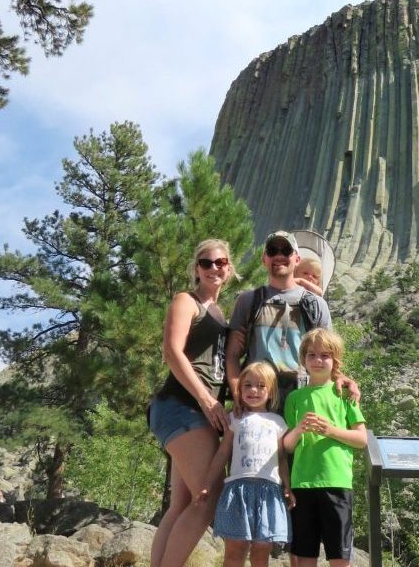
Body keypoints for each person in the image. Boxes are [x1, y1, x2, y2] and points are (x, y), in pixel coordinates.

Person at [148, 239, 237, 567]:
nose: (214, 267)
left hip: (191, 412)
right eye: (206, 262)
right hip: (182, 406)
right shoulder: (187, 301)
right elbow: (172, 351)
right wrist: (205, 399)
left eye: (221, 262)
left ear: (229, 269)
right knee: (207, 499)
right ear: (196, 269)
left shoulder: (218, 311)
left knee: (183, 503)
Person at [226, 230, 358, 412]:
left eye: (286, 251)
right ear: (264, 259)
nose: (279, 256)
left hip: (302, 398)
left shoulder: (316, 305)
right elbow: (232, 354)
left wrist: (342, 378)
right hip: (258, 399)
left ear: (296, 259)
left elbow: (329, 355)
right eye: (273, 251)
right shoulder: (248, 301)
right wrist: (237, 394)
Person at [283, 329, 367, 567]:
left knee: (339, 557)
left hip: (337, 483)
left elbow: (361, 439)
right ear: (303, 360)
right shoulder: (294, 399)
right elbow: (287, 447)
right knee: (304, 556)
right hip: (302, 485)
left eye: (325, 355)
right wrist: (298, 430)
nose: (318, 360)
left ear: (335, 361)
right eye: (312, 355)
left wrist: (330, 431)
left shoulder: (345, 394)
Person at [198, 362, 294, 567]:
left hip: (269, 491)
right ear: (239, 390)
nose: (253, 390)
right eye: (247, 385)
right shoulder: (234, 418)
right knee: (234, 551)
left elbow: (282, 458)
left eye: (261, 386)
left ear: (271, 392)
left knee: (261, 553)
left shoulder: (278, 422)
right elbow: (223, 453)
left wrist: (287, 486)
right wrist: (207, 483)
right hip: (238, 490)